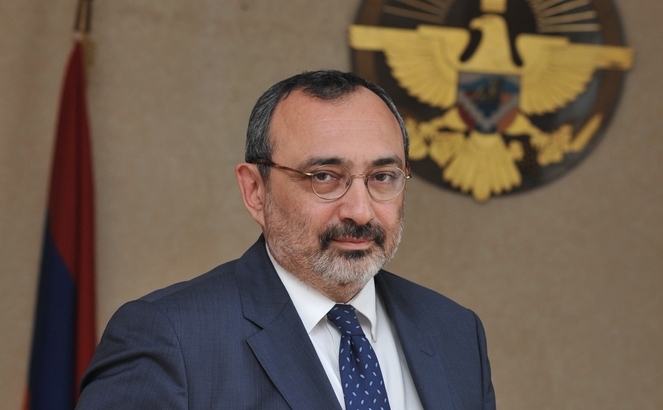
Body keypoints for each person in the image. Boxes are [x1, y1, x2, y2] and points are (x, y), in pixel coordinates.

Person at [77, 70, 496, 409]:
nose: (360, 211)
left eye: (382, 177)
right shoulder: (171, 338)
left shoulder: (455, 332)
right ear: (255, 191)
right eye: (324, 177)